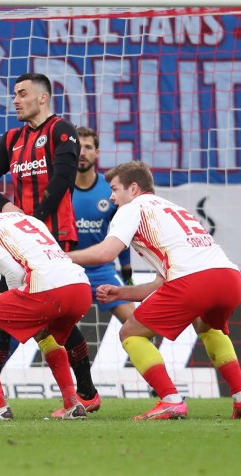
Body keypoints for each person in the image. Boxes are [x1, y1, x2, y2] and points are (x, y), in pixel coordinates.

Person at [69, 161, 241, 420]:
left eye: (115, 189)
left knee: (130, 332)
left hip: (194, 281)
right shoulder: (172, 208)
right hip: (229, 277)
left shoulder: (132, 208)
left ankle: (170, 400)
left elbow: (106, 253)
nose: (112, 196)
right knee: (206, 327)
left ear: (134, 188)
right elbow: (163, 281)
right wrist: (122, 293)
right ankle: (240, 397)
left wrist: (61, 257)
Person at [0, 72, 100, 416]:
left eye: (21, 93)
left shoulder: (62, 131)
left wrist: (36, 219)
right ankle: (82, 392)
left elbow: (62, 180)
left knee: (45, 315)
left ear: (43, 98)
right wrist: (4, 206)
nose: (15, 100)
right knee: (12, 307)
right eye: (14, 94)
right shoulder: (11, 138)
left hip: (54, 236)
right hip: (18, 241)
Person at [0, 181, 90, 420]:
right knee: (44, 333)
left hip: (47, 289)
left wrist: (16, 312)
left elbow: (15, 275)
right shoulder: (25, 218)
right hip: (79, 286)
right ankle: (73, 405)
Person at [73, 126, 135, 323]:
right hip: (66, 268)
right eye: (78, 147)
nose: (82, 153)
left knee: (138, 324)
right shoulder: (58, 187)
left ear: (97, 152)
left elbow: (121, 233)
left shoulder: (109, 189)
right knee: (47, 330)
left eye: (88, 147)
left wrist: (127, 273)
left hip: (100, 270)